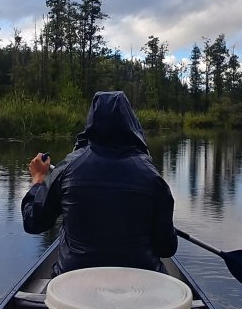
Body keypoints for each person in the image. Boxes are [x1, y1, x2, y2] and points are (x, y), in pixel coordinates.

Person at [22, 90, 176, 276]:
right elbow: (167, 248)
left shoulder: (67, 167)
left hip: (75, 277)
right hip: (140, 280)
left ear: (91, 123)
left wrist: (38, 179)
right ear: (131, 123)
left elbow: (33, 222)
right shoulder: (152, 176)